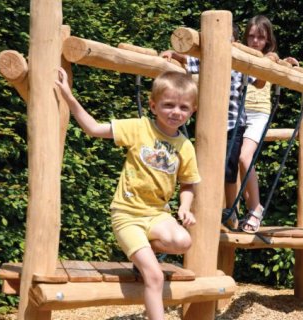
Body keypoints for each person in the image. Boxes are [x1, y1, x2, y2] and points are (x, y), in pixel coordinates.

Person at [55, 68, 201, 320]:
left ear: (192, 111)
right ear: (153, 106)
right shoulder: (138, 128)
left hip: (157, 215)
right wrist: (68, 95)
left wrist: (185, 207)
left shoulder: (185, 146)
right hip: (127, 215)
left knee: (184, 241)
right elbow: (93, 129)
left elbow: (188, 184)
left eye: (183, 107)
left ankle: (146, 250)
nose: (176, 112)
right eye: (168, 105)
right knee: (154, 276)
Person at [160, 23, 263, 230]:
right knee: (206, 166)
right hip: (212, 123)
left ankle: (232, 209)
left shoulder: (239, 64)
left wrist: (265, 62)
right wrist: (172, 53)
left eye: (229, 40)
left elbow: (259, 80)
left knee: (229, 169)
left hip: (235, 123)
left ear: (235, 43)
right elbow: (188, 60)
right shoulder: (207, 61)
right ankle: (209, 209)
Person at [239, 15, 299, 233]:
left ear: (267, 40)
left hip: (258, 114)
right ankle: (233, 209)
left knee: (245, 157)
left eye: (260, 37)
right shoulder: (239, 55)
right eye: (251, 36)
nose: (255, 41)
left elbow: (277, 68)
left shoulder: (270, 58)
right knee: (229, 162)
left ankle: (255, 208)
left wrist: (288, 63)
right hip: (237, 112)